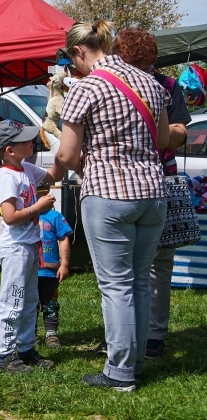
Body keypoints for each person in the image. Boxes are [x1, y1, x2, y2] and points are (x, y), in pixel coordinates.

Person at [57, 20, 169, 392]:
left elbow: (67, 153)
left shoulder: (87, 87)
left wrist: (86, 165)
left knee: (116, 285)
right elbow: (165, 138)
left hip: (109, 192)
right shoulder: (152, 84)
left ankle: (119, 372)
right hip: (153, 193)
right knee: (138, 282)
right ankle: (135, 363)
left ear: (79, 52)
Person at [101, 27, 189, 360]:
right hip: (125, 183)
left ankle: (153, 334)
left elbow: (180, 131)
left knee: (156, 264)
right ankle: (122, 338)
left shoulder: (167, 86)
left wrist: (165, 134)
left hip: (157, 180)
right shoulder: (108, 83)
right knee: (121, 267)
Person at [0, 120, 65, 373]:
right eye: (25, 140)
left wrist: (62, 153)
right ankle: (5, 355)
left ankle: (26, 348)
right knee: (13, 301)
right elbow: (10, 216)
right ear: (9, 150)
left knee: (30, 300)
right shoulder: (7, 176)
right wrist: (38, 208)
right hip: (16, 248)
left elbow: (54, 175)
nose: (31, 142)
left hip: (30, 245)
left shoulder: (26, 168)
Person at [37, 207, 73, 349]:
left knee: (50, 304)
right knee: (30, 305)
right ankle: (29, 335)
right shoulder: (25, 214)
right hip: (29, 271)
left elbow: (64, 238)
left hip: (50, 272)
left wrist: (64, 264)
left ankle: (51, 335)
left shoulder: (55, 216)